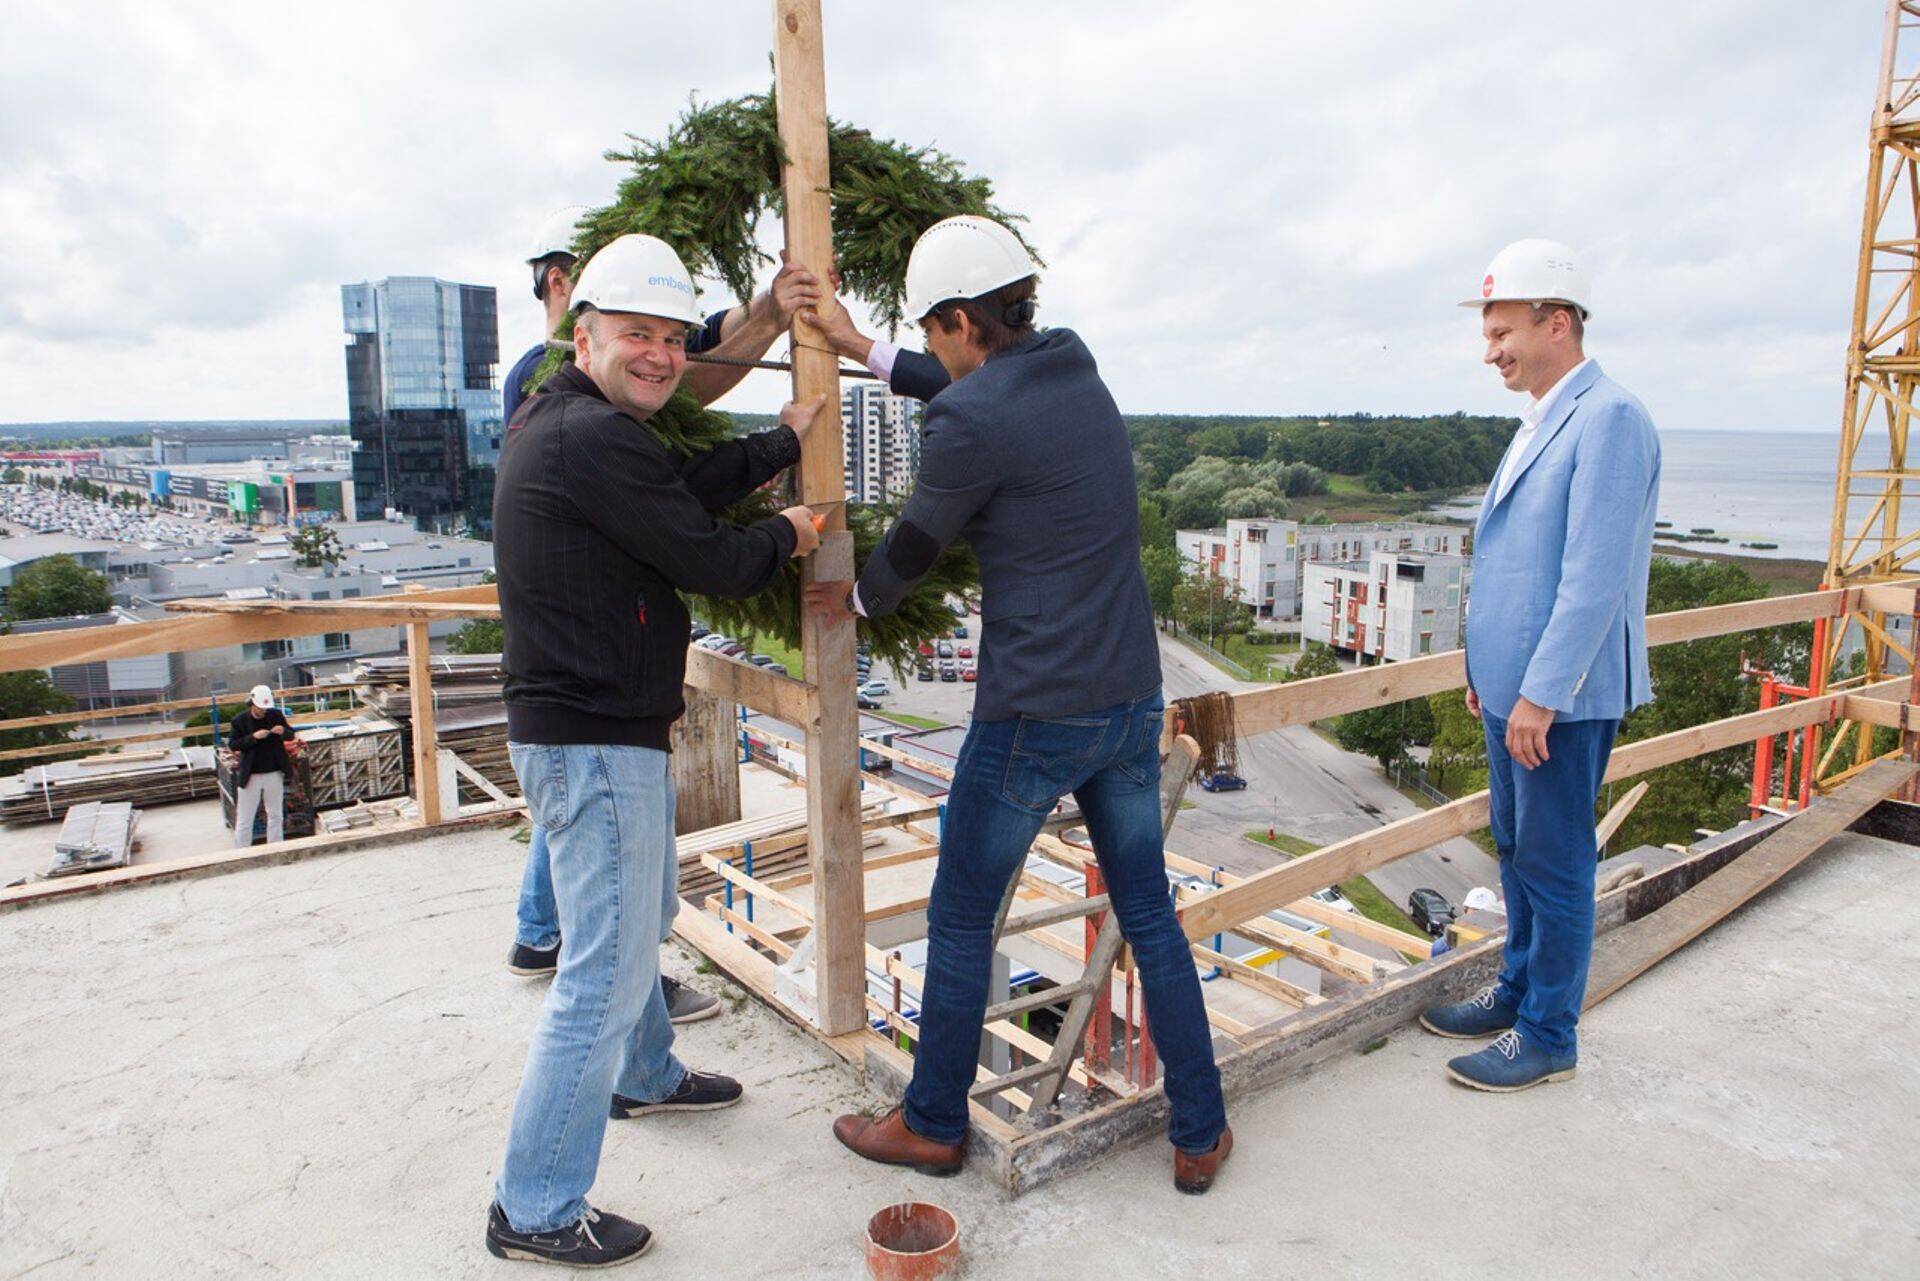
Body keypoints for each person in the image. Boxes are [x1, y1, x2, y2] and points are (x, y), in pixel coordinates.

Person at [805, 215, 1231, 1194]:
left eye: (931, 330)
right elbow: (970, 396)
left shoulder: (974, 418)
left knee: (961, 916)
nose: (935, 347)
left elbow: (915, 540)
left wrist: (855, 601)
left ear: (958, 319)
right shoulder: (1073, 370)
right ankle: (1201, 1132)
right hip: (1129, 701)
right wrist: (862, 346)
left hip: (1035, 716)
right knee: (1150, 918)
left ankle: (932, 1123)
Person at [484, 232, 823, 1268]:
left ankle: (649, 1074)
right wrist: (795, 533)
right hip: (594, 739)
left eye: (674, 339)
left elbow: (675, 486)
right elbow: (705, 552)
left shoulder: (570, 421)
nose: (663, 355)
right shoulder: (590, 439)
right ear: (583, 335)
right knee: (604, 966)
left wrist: (776, 442)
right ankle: (534, 1206)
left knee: (634, 924)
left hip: (579, 728)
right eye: (639, 334)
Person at [1418, 239, 1660, 1092]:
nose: (1491, 352)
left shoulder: (1610, 419)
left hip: (1560, 699)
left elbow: (1592, 582)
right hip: (1513, 693)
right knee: (1518, 848)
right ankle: (1516, 991)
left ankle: (1549, 1031)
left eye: (1503, 332)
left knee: (1557, 865)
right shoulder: (1543, 418)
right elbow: (1517, 565)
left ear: (1557, 322)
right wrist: (1492, 676)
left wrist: (1541, 695)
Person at [226, 684, 297, 847]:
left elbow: (291, 734)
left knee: (275, 814)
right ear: (252, 703)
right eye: (260, 708)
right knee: (245, 816)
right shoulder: (240, 720)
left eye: (265, 708)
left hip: (274, 771)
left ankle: (275, 847)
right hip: (251, 774)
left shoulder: (275, 715)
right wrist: (253, 737)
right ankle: (242, 851)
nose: (263, 711)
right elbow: (234, 744)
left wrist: (283, 732)